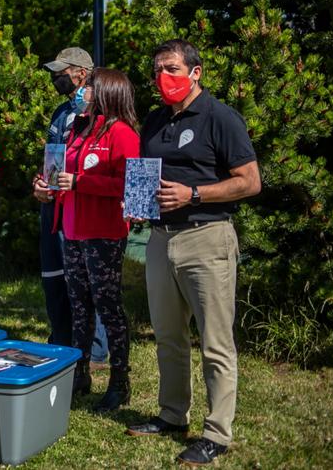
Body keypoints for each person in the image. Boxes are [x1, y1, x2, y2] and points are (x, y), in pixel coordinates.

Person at [125, 40, 261, 467]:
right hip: (161, 240)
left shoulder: (220, 117)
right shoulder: (153, 120)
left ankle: (217, 433)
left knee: (215, 343)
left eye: (172, 68)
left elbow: (250, 181)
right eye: (157, 70)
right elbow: (147, 176)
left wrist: (195, 194)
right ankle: (171, 415)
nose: (163, 77)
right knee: (168, 336)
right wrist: (137, 204)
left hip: (207, 236)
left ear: (195, 72)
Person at [37, 68, 139, 412]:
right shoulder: (81, 128)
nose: (84, 92)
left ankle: (119, 381)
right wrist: (45, 185)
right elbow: (58, 172)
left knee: (108, 307)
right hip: (72, 230)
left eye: (91, 88)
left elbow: (128, 184)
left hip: (104, 234)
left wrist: (80, 182)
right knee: (79, 306)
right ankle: (79, 374)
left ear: (107, 92)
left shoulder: (123, 134)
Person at [34, 47, 110, 363]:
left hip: (84, 209)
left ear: (80, 72)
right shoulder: (60, 113)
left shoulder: (104, 113)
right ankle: (62, 338)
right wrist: (41, 185)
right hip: (54, 208)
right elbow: (52, 160)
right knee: (55, 277)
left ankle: (94, 348)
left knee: (87, 280)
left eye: (61, 72)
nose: (56, 78)